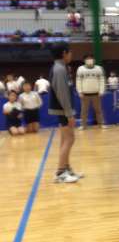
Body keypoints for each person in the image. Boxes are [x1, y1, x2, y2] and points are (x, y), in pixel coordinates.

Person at [48, 42, 80, 183]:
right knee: (69, 139)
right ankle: (60, 172)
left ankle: (67, 169)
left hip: (62, 110)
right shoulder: (59, 69)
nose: (71, 54)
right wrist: (69, 113)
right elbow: (62, 94)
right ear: (64, 53)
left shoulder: (61, 68)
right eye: (69, 52)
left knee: (65, 139)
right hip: (63, 110)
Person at [76, 54, 107, 130]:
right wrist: (79, 91)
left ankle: (101, 124)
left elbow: (102, 80)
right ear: (84, 60)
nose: (89, 60)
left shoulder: (99, 68)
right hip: (85, 94)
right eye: (87, 59)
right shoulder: (80, 69)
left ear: (94, 60)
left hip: (96, 94)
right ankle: (83, 125)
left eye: (91, 58)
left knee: (98, 110)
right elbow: (78, 81)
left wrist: (101, 91)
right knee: (84, 111)